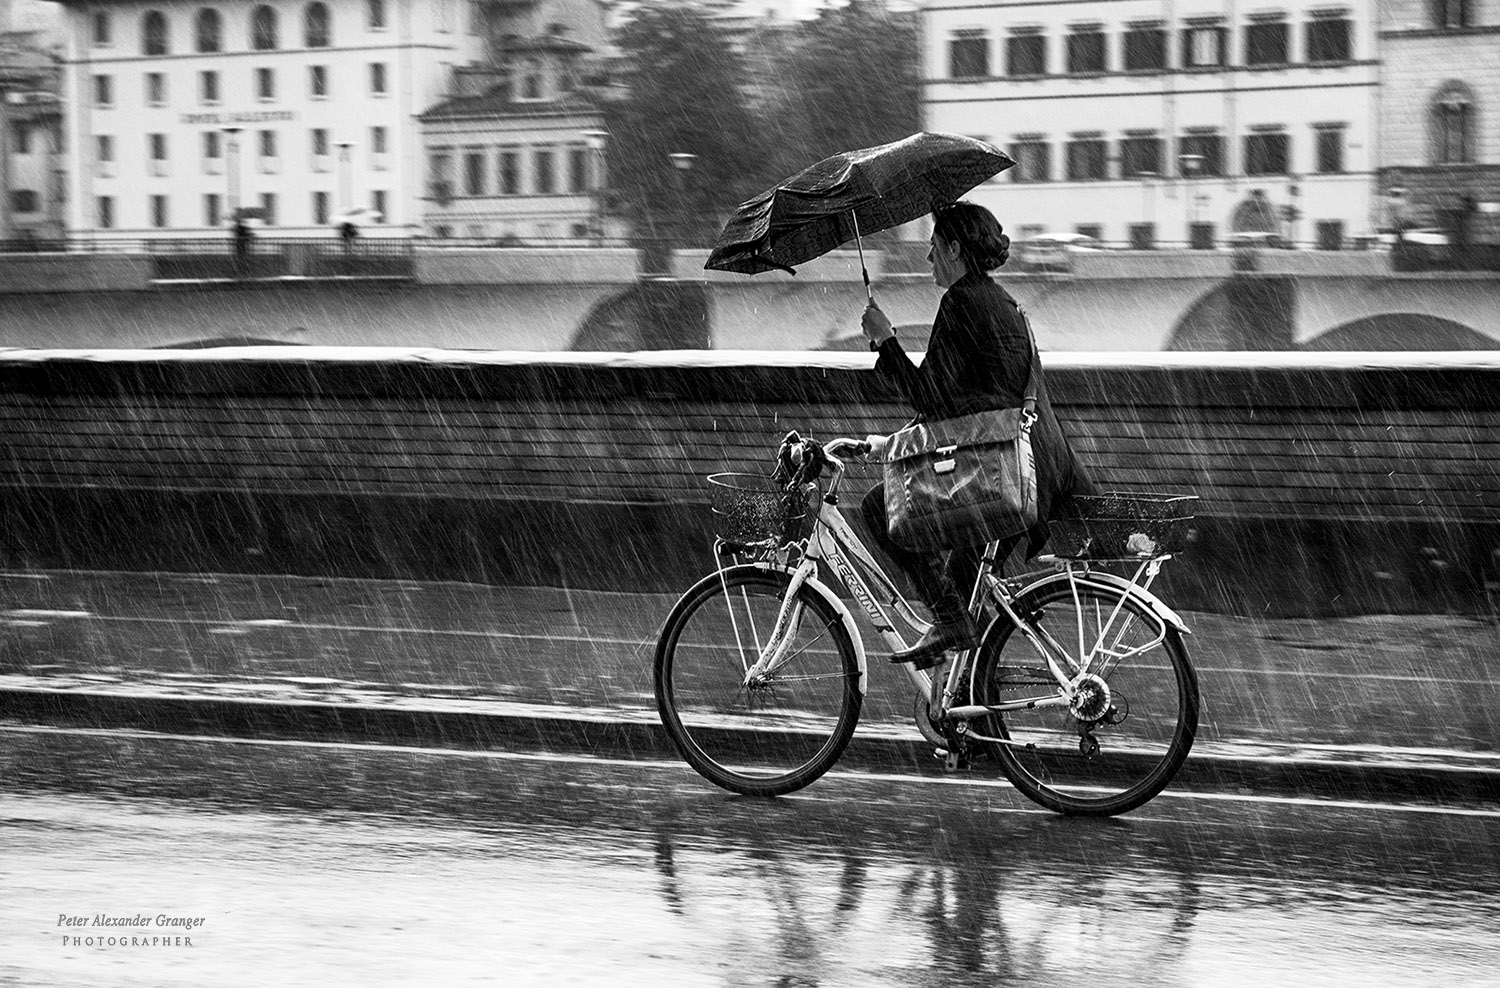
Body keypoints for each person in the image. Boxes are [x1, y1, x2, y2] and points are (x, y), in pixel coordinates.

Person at [859, 200, 1095, 668]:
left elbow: (929, 396)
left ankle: (949, 620)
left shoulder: (961, 302)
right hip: (1035, 468)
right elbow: (975, 397)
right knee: (966, 588)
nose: (928, 259)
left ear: (953, 248)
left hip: (1000, 473)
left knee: (878, 508)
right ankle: (976, 728)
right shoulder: (1006, 303)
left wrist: (885, 340)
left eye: (932, 248)